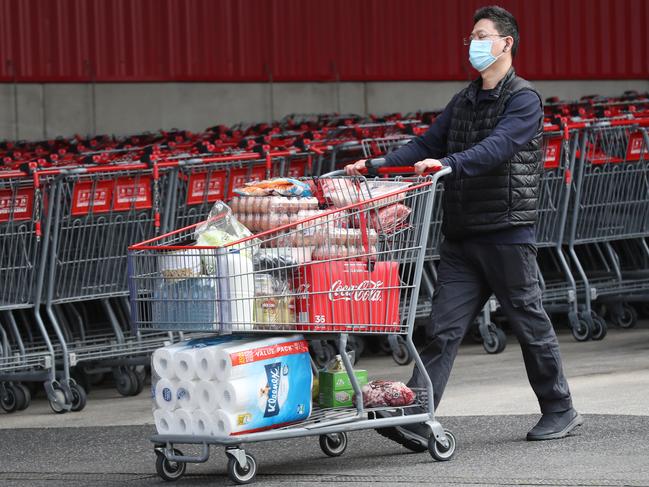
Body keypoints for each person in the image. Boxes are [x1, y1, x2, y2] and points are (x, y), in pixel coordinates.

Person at [346, 5, 582, 446]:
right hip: (462, 236)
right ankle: (417, 415)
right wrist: (376, 166)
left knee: (529, 323)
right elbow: (425, 144)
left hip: (506, 233)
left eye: (481, 35)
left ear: (505, 43)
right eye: (470, 37)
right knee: (442, 329)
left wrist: (449, 164)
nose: (473, 44)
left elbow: (499, 147)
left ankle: (559, 408)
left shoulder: (524, 99)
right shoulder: (465, 99)